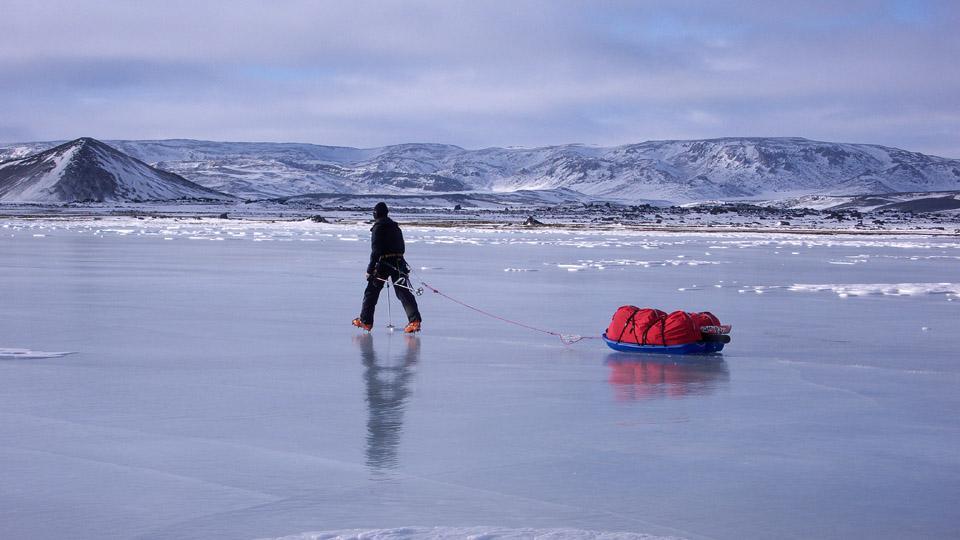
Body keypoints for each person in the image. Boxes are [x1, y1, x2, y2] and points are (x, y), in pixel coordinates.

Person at [352, 202, 422, 333]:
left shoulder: (378, 228)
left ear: (375, 214)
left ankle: (366, 321)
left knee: (371, 292)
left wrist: (369, 270)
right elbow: (402, 247)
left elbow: (375, 252)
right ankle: (414, 321)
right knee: (403, 292)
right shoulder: (396, 227)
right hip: (398, 263)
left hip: (383, 264)